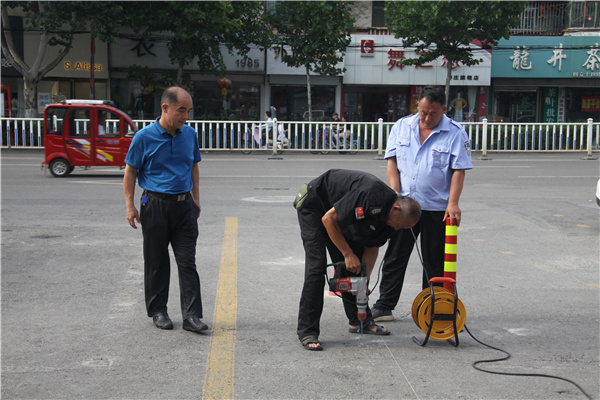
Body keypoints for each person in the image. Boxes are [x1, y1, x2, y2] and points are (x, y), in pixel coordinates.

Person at [371, 85, 473, 322]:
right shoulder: (402, 126)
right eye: (423, 112)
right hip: (405, 207)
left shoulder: (455, 133)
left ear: (444, 110)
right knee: (395, 257)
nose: (427, 118)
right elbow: (392, 162)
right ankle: (385, 305)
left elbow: (459, 170)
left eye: (433, 114)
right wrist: (394, 191)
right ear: (417, 106)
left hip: (436, 208)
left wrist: (453, 203)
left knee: (434, 260)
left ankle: (433, 306)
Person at [295, 169, 421, 350]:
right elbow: (328, 219)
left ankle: (359, 321)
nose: (397, 229)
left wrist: (363, 281)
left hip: (338, 216)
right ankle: (308, 331)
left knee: (353, 269)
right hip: (315, 205)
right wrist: (347, 254)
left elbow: (372, 246)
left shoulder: (390, 221)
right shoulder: (370, 194)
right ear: (396, 209)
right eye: (399, 224)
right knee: (317, 268)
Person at [123, 86, 208, 334]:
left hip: (184, 207)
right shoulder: (144, 137)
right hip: (155, 205)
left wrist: (196, 198)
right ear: (165, 107)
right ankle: (158, 310)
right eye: (181, 110)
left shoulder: (189, 134)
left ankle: (191, 316)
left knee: (187, 262)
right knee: (156, 261)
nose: (186, 116)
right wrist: (130, 205)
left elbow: (194, 166)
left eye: (189, 111)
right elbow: (130, 172)